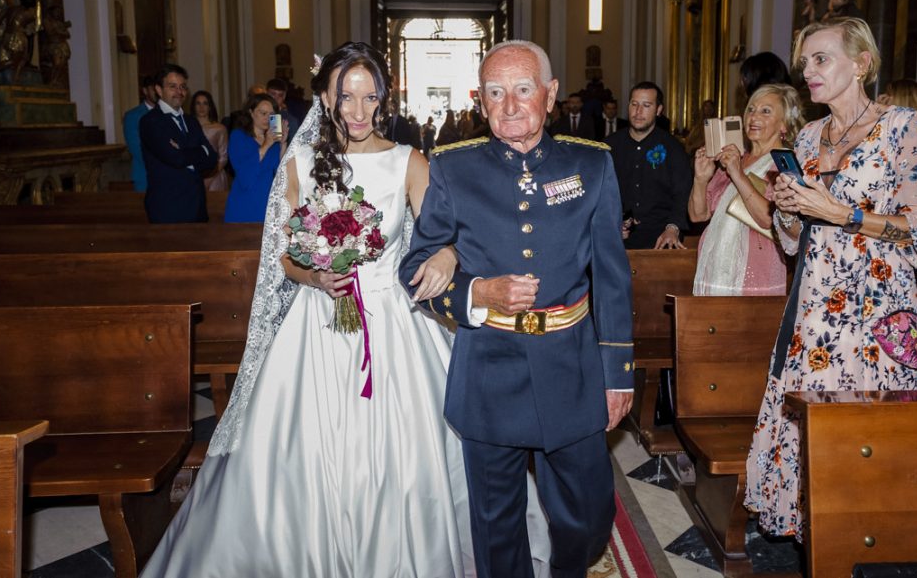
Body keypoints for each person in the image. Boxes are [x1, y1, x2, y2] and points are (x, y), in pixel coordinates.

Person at [141, 42, 552, 577]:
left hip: (396, 322)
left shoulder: (409, 161)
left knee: (413, 461)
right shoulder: (300, 162)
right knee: (301, 460)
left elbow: (445, 234)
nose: (358, 111)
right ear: (326, 99)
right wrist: (314, 274)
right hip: (318, 322)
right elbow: (284, 256)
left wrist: (448, 255)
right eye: (346, 97)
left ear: (383, 99)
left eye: (369, 97)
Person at [400, 40, 634, 578]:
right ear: (479, 101)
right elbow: (414, 265)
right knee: (496, 526)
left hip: (570, 366)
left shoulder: (591, 164)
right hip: (489, 367)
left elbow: (613, 278)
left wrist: (617, 373)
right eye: (495, 93)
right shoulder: (454, 169)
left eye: (523, 90)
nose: (509, 106)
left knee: (589, 515)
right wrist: (476, 293)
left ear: (549, 95)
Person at [745, 17, 917, 540]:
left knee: (871, 451)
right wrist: (787, 209)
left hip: (877, 313)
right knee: (815, 443)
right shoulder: (808, 137)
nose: (807, 71)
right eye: (804, 61)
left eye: (821, 58)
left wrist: (843, 213)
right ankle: (824, 547)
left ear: (861, 64)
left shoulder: (903, 127)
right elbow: (792, 240)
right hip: (815, 316)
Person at [689, 84, 803, 295]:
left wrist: (738, 174)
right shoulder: (735, 158)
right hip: (713, 268)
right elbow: (698, 215)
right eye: (751, 109)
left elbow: (771, 221)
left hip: (755, 274)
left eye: (765, 111)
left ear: (784, 125)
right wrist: (700, 178)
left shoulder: (784, 164)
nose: (754, 116)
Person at [605, 81, 692, 249]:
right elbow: (599, 193)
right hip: (617, 235)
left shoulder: (672, 148)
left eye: (646, 105)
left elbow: (683, 193)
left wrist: (673, 228)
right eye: (634, 104)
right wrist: (611, 223)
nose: (638, 112)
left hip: (661, 236)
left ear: (659, 110)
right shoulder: (609, 146)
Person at [139, 64, 219, 223]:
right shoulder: (151, 121)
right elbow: (174, 158)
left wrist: (184, 151)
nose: (179, 92)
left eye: (183, 87)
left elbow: (211, 159)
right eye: (173, 87)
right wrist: (199, 152)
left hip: (197, 207)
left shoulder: (191, 121)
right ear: (159, 90)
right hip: (168, 208)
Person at [223, 93, 285, 222]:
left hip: (267, 203)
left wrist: (283, 143)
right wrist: (266, 144)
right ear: (251, 113)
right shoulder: (238, 136)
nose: (268, 118)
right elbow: (244, 174)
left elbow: (281, 171)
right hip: (245, 202)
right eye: (263, 113)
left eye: (271, 114)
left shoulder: (273, 141)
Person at [122, 76, 157, 191]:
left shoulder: (168, 113)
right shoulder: (133, 116)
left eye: (159, 87)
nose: (157, 92)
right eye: (153, 88)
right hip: (145, 176)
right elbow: (136, 149)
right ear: (145, 91)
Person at [190, 90, 229, 192]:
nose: (201, 107)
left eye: (205, 103)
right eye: (198, 103)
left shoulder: (219, 128)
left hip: (215, 177)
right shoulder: (187, 127)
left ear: (210, 106)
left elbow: (223, 158)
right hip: (192, 177)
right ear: (193, 106)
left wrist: (209, 178)